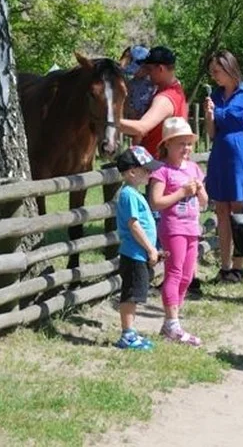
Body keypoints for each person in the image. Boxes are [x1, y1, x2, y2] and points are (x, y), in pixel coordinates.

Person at [203, 51, 243, 283]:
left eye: (217, 72)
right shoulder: (215, 95)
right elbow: (211, 133)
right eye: (212, 73)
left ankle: (239, 267)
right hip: (219, 156)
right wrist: (209, 115)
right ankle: (224, 266)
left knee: (239, 213)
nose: (214, 76)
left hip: (240, 157)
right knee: (221, 212)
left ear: (229, 69)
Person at [149, 117, 208, 346]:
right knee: (173, 273)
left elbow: (204, 201)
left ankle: (171, 322)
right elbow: (156, 202)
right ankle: (172, 321)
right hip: (173, 228)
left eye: (189, 144)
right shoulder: (162, 171)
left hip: (192, 227)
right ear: (167, 145)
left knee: (188, 275)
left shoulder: (194, 168)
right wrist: (182, 192)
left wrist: (199, 189)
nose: (186, 149)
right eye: (181, 144)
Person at [112, 145, 163, 351]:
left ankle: (131, 332)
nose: (150, 172)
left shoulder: (135, 193)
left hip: (139, 254)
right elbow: (133, 224)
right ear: (132, 172)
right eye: (146, 169)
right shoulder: (128, 195)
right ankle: (127, 334)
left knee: (135, 293)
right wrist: (150, 248)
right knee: (131, 294)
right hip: (134, 254)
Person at [119, 46, 189, 158]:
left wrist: (106, 121)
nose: (147, 74)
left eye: (150, 69)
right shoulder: (176, 90)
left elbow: (141, 128)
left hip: (158, 164)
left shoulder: (164, 99)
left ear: (160, 69)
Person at [122, 45, 155, 119]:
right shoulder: (132, 83)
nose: (134, 73)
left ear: (145, 67)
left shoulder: (153, 85)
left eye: (136, 70)